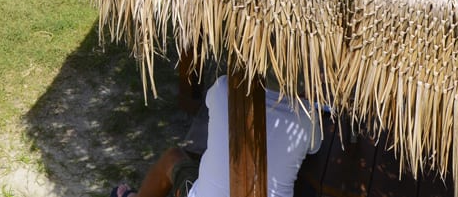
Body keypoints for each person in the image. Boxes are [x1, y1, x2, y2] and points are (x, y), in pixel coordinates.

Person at [114, 75, 323, 197]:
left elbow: (212, 104)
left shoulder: (224, 88)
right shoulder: (306, 118)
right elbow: (314, 147)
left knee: (173, 158)